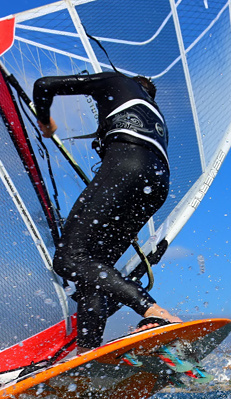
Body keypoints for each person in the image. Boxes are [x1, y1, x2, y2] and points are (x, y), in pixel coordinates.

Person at [33, 71, 181, 352]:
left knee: (69, 260)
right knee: (94, 273)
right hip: (157, 185)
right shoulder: (157, 117)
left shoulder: (117, 81)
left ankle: (152, 309)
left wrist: (45, 122)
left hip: (127, 168)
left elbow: (43, 85)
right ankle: (87, 352)